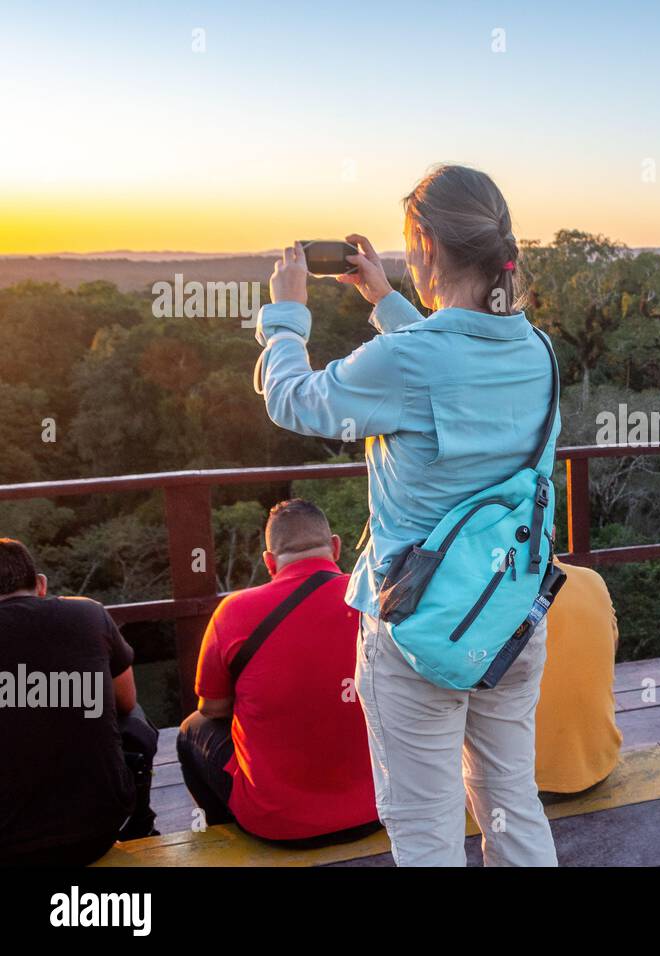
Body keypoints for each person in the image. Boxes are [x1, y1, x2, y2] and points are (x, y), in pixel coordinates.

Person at [253, 165, 559, 866]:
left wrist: (287, 313)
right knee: (512, 801)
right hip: (511, 610)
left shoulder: (411, 359)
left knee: (425, 828)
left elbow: (294, 399)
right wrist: (386, 300)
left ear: (422, 242)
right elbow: (450, 362)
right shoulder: (535, 349)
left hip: (416, 623)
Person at [177, 499, 379, 845]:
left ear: (269, 562)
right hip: (378, 809)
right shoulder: (373, 599)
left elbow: (212, 709)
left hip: (279, 826)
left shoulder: (233, 612)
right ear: (334, 546)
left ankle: (223, 836)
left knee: (192, 730)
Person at [0, 538, 158, 866]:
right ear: (41, 585)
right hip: (97, 833)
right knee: (136, 718)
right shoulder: (88, 612)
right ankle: (141, 824)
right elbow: (127, 702)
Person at [534, 561, 621, 800]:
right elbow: (611, 646)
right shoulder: (593, 579)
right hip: (599, 766)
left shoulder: (483, 593)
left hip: (519, 786)